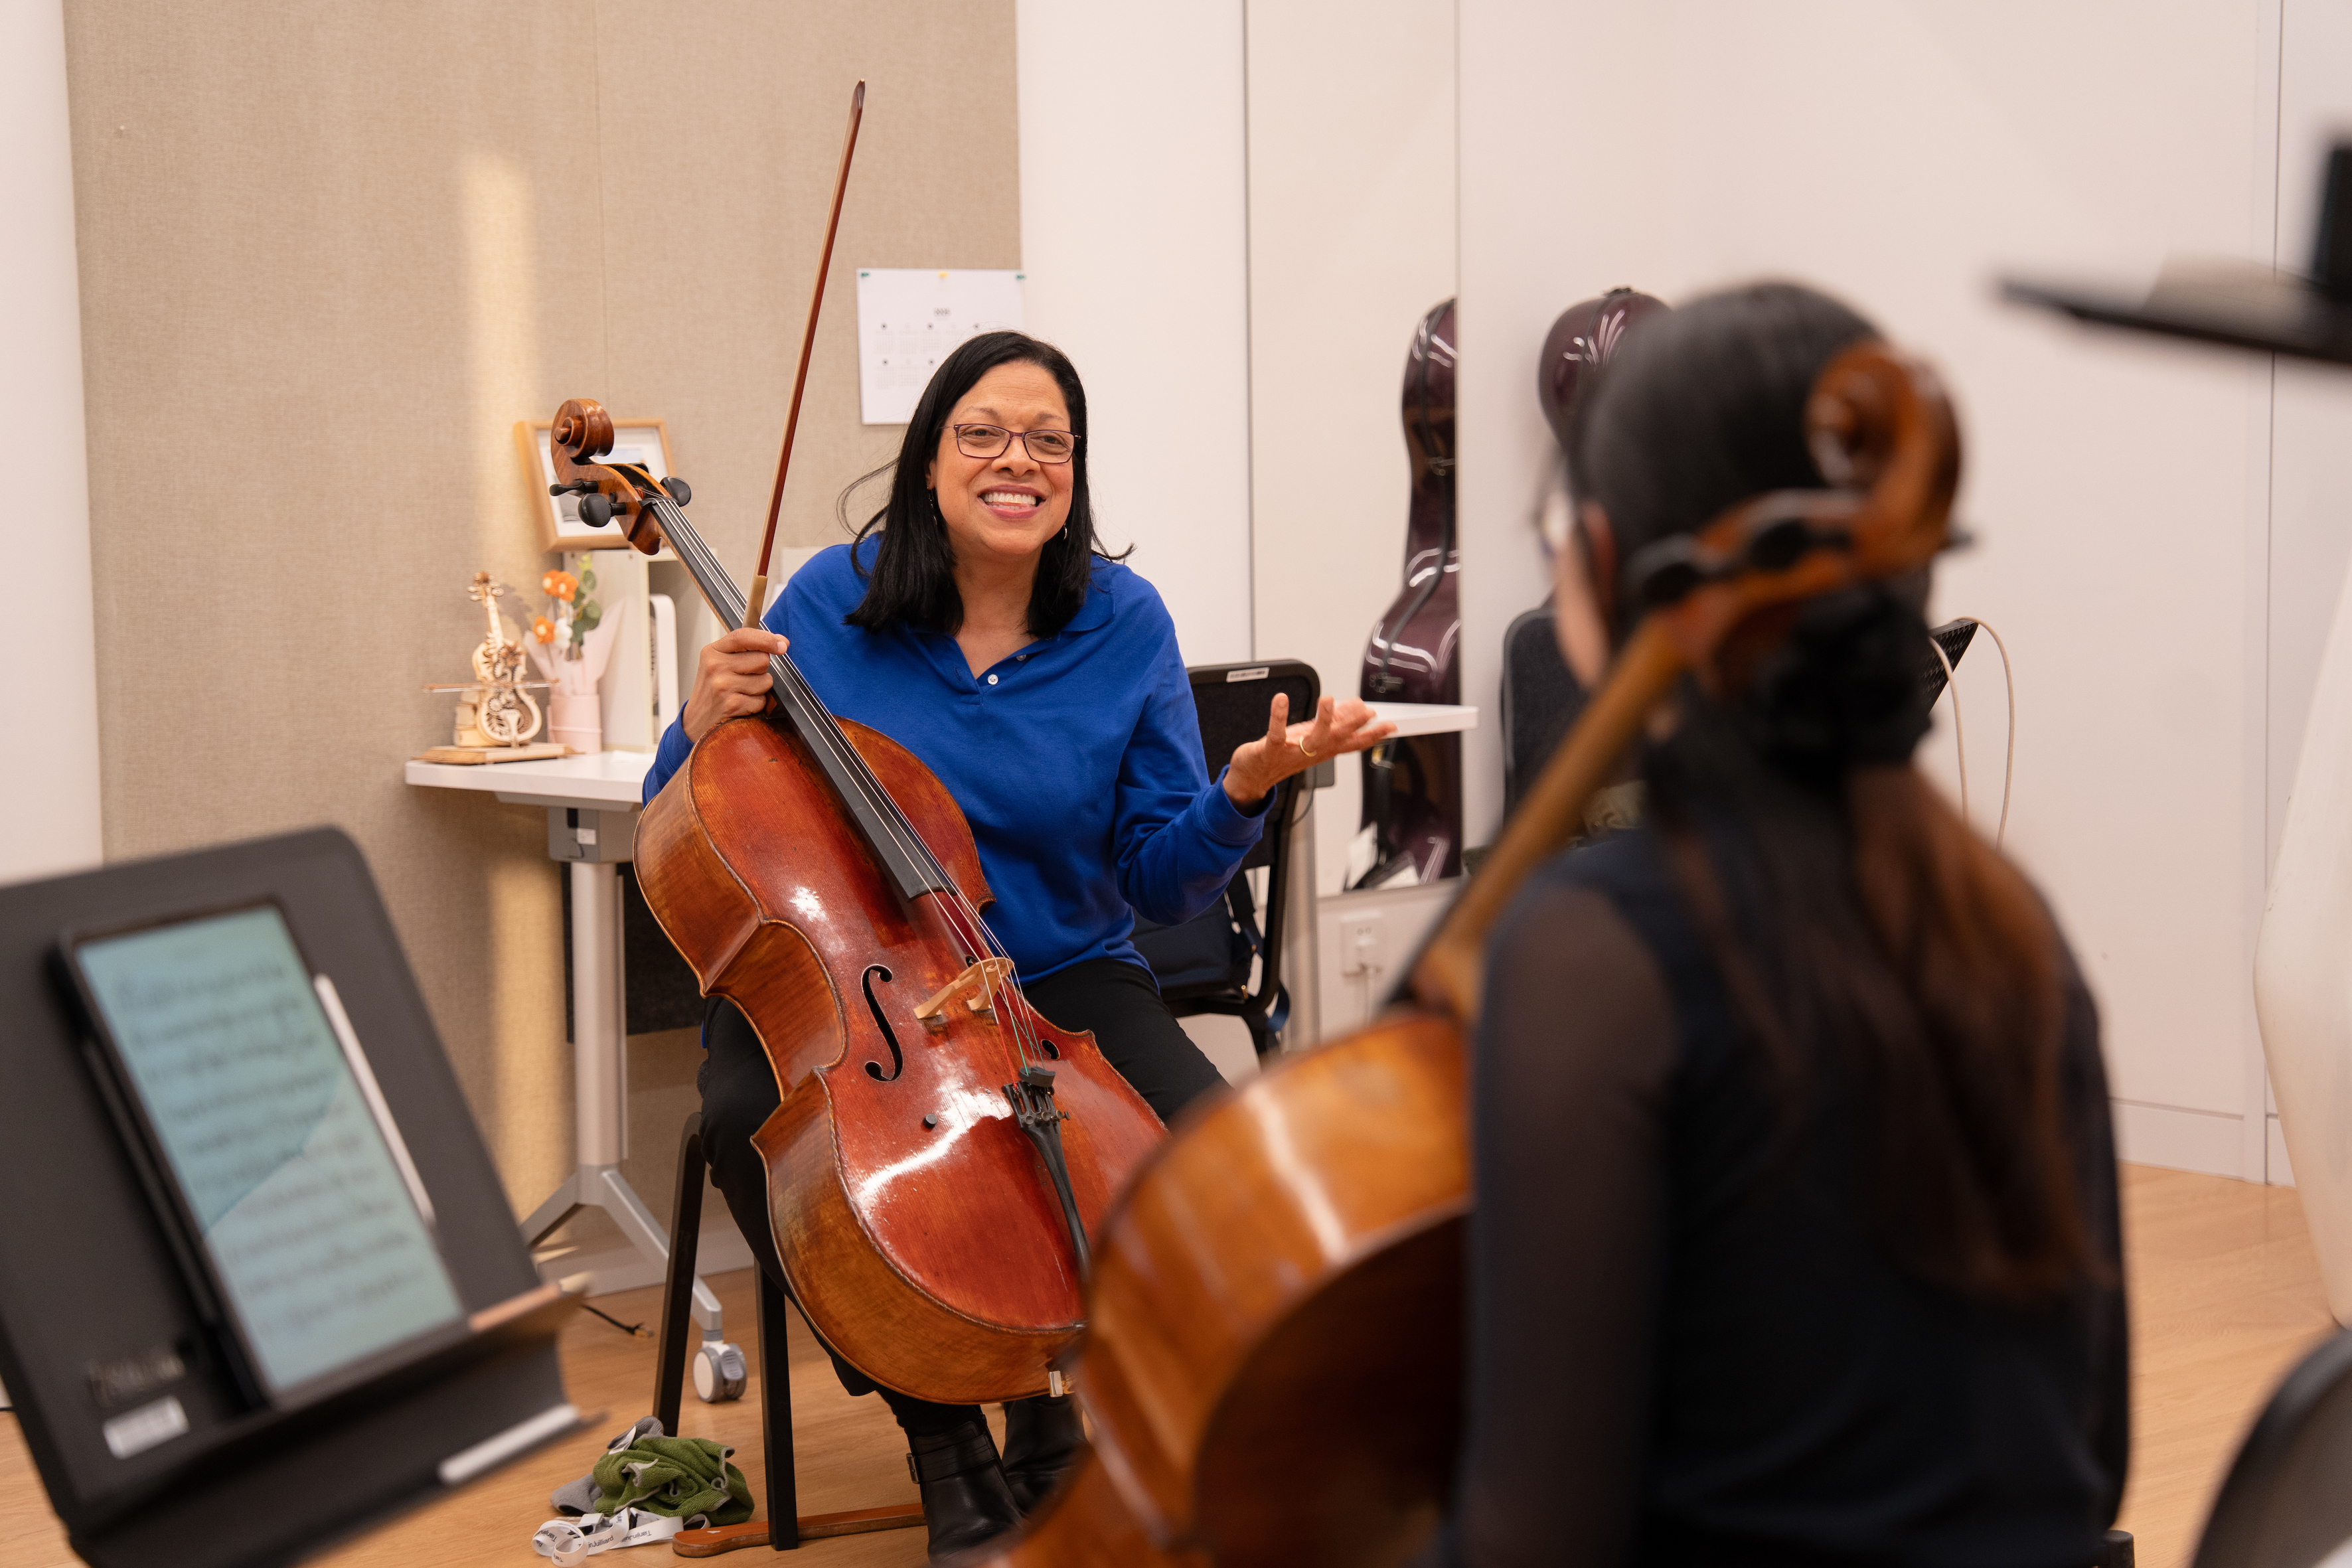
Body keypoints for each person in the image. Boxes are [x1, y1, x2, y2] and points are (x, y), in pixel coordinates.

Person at [640, 330, 1389, 1560]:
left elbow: (1158, 876)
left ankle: (1056, 1407)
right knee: (749, 1126)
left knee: (1210, 1159)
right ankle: (943, 1440)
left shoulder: (1124, 622)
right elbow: (698, 815)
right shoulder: (828, 602)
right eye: (983, 433)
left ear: (1075, 468)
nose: (1017, 460)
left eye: (1048, 440)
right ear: (930, 458)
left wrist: (1242, 791)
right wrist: (698, 719)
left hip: (1052, 968)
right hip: (851, 967)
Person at [1425, 283, 2127, 1567]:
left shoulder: (1592, 955)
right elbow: (2092, 1452)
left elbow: (1538, 1540)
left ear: (1600, 563)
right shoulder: (2011, 926)